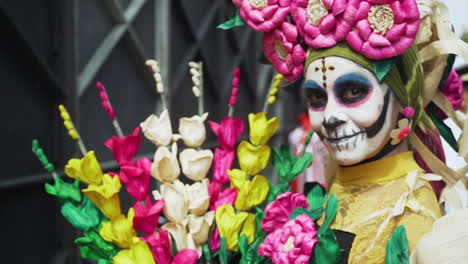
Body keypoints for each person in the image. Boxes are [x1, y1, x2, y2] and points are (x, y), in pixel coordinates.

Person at [233, 0, 468, 262]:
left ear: (404, 101)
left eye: (354, 92)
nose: (331, 117)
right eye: (316, 98)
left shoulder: (410, 213)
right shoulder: (345, 182)